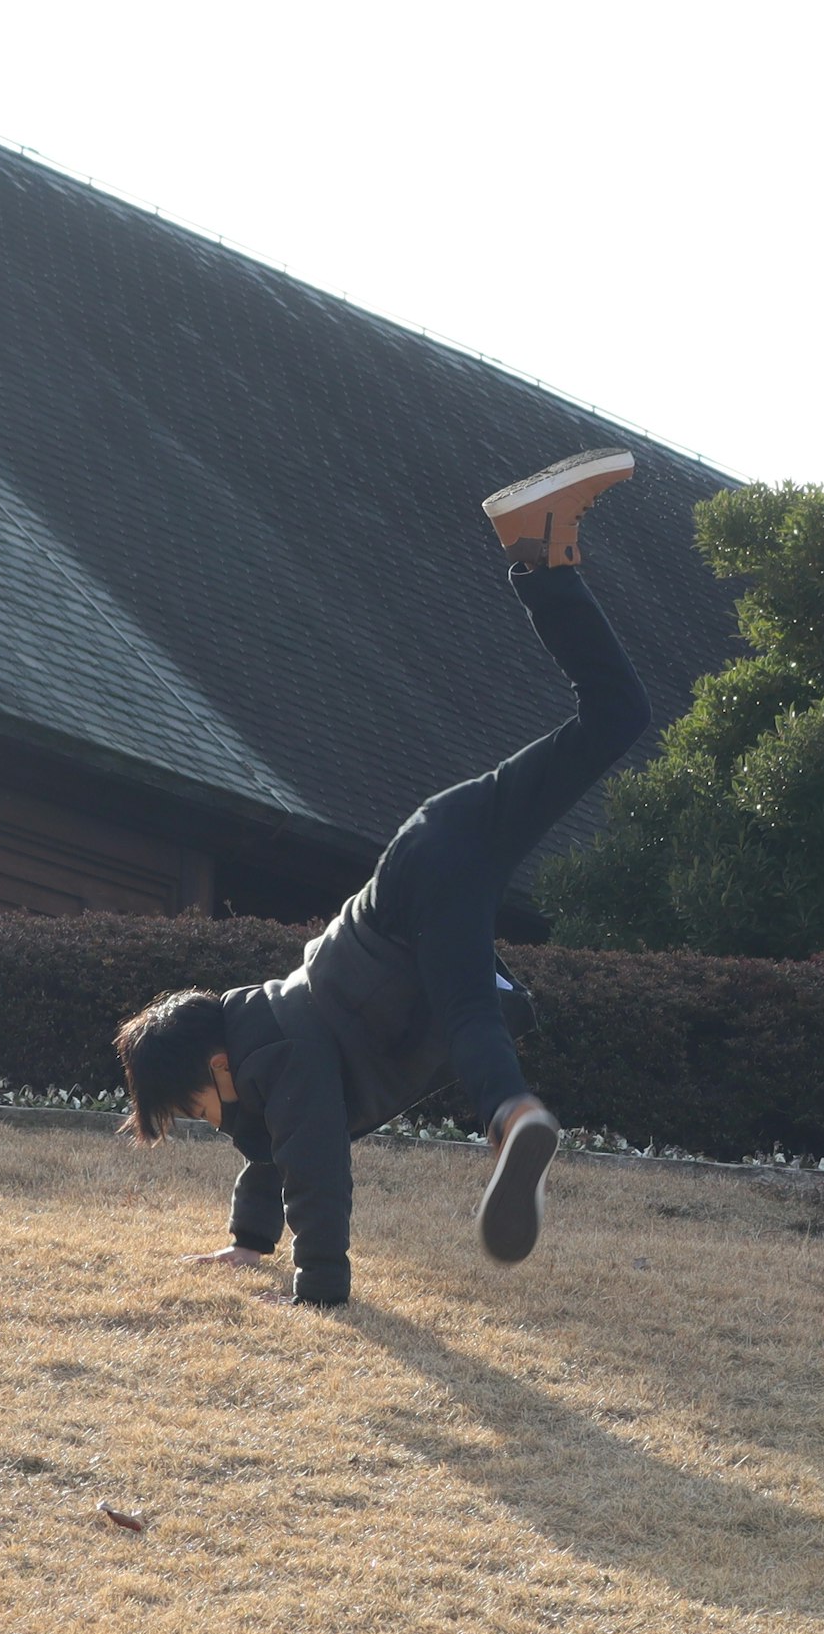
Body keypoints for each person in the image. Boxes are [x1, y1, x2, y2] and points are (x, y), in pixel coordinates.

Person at [113, 448, 653, 1306]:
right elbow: (276, 1150)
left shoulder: (277, 1055)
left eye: (186, 1110)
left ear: (213, 1066)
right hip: (440, 836)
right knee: (617, 716)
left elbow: (315, 1161)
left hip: (419, 896)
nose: (202, 1125)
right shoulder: (265, 1044)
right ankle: (540, 549)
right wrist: (247, 1245)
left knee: (468, 1006)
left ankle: (513, 1116)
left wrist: (319, 1282)